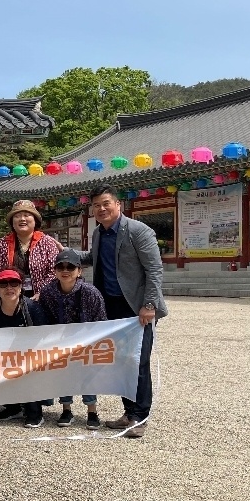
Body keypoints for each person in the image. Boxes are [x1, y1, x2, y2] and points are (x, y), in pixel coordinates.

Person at [79, 186, 169, 439]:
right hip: (110, 305)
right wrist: (64, 253)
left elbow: (154, 269)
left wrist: (149, 305)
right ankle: (129, 412)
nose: (101, 209)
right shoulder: (99, 233)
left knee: (138, 361)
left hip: (136, 306)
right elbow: (93, 258)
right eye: (96, 205)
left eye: (106, 203)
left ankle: (140, 416)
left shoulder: (139, 231)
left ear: (118, 204)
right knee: (120, 362)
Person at [37, 248, 108, 429]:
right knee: (64, 374)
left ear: (79, 271)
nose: (65, 270)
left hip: (87, 342)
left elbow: (101, 319)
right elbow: (44, 318)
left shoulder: (90, 292)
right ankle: (66, 409)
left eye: (70, 267)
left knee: (87, 375)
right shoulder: (48, 292)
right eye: (60, 267)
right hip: (59, 342)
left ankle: (92, 411)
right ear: (55, 270)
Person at [0, 268, 49, 427]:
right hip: (2, 355)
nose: (9, 288)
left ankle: (35, 413)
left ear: (21, 287)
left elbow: (44, 336)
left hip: (30, 355)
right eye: (3, 284)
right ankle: (13, 408)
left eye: (14, 283)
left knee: (30, 371)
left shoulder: (32, 308)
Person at [0, 199, 62, 299]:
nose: (22, 219)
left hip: (42, 298)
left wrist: (42, 293)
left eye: (27, 215)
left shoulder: (47, 242)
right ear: (12, 222)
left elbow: (54, 271)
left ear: (35, 220)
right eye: (17, 216)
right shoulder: (2, 244)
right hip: (10, 298)